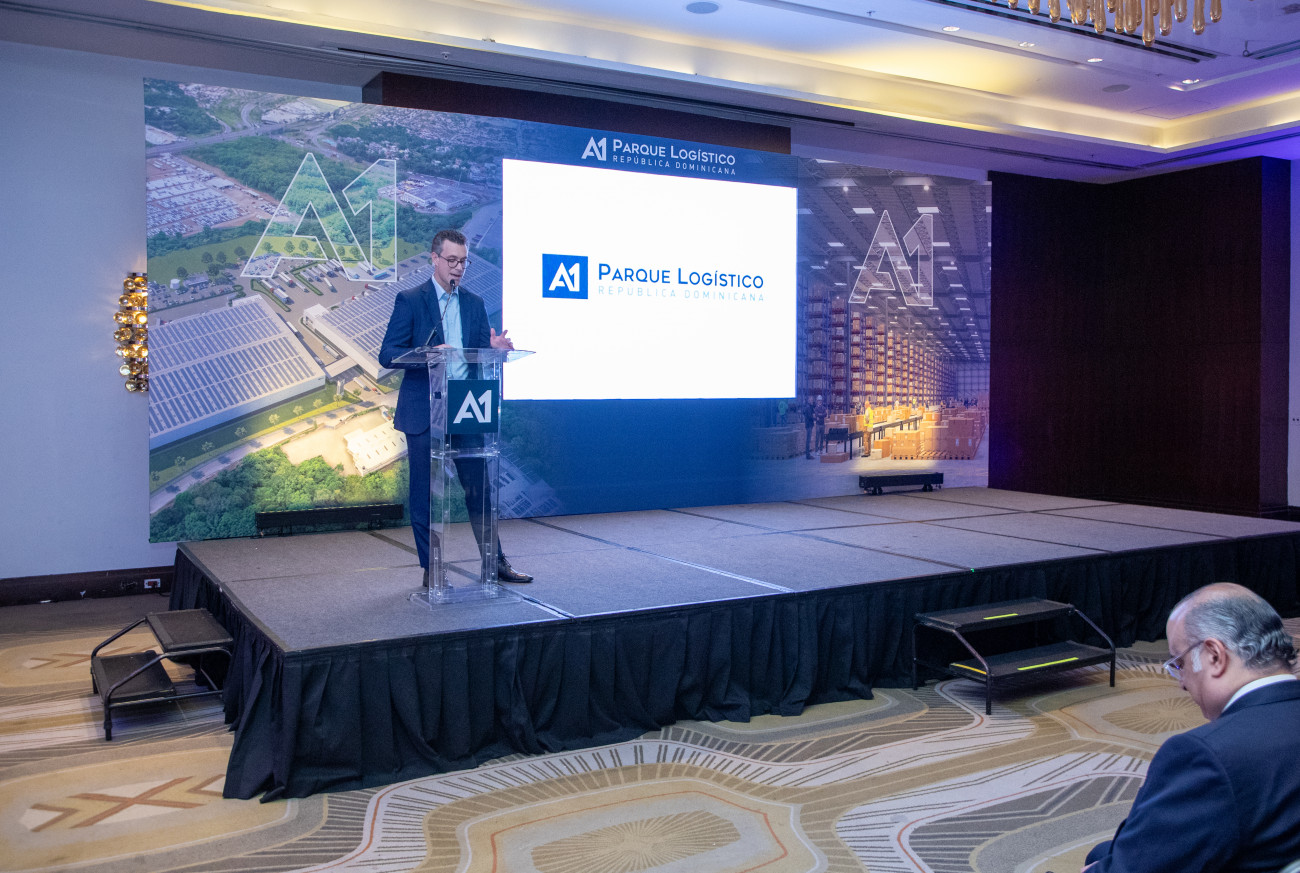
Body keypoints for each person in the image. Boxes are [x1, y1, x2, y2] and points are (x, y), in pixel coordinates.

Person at [1082, 582, 1299, 873]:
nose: (1181, 684)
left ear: (1214, 655)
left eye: (1179, 663)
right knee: (1102, 852)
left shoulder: (1206, 755)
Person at [379, 229, 533, 584]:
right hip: (425, 411)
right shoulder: (410, 300)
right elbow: (388, 354)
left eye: (464, 262)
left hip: (466, 408)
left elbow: (478, 356)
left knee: (480, 491)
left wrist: (494, 349)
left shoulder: (475, 304)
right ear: (434, 259)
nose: (458, 268)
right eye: (452, 260)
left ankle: (495, 562)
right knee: (425, 493)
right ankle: (431, 568)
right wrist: (428, 354)